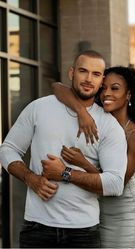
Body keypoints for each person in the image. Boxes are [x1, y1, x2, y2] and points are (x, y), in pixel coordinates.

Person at [0, 50, 128, 248]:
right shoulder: (39, 108)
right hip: (37, 227)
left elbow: (114, 184)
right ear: (71, 73)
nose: (88, 79)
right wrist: (31, 178)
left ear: (102, 80)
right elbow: (7, 149)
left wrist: (64, 173)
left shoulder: (108, 126)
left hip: (83, 232)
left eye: (95, 74)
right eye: (83, 71)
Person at [42, 66, 135, 248]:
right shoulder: (97, 119)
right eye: (103, 88)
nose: (106, 93)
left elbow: (116, 185)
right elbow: (57, 87)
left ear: (128, 95)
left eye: (114, 88)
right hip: (92, 210)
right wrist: (81, 111)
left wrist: (81, 163)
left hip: (121, 213)